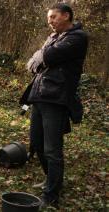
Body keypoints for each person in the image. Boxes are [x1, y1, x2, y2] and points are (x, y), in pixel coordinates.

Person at [20, 3, 88, 208]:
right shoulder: (53, 38)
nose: (50, 21)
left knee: (52, 150)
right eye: (49, 18)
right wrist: (39, 57)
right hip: (39, 96)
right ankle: (52, 180)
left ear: (66, 16)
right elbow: (31, 64)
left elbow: (46, 56)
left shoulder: (77, 37)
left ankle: (51, 195)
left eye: (53, 17)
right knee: (37, 144)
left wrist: (41, 56)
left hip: (57, 100)